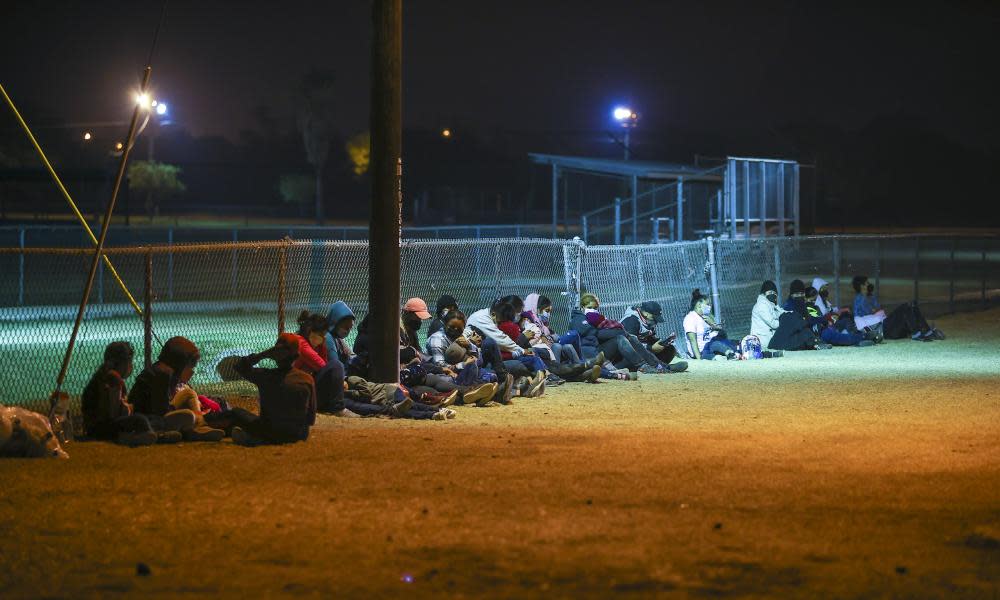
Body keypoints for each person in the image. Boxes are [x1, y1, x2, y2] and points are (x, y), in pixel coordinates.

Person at [332, 300, 454, 419]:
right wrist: (412, 353)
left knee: (431, 378)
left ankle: (438, 403)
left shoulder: (406, 332)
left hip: (388, 377)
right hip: (380, 378)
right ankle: (432, 405)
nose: (418, 321)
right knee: (412, 386)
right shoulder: (366, 339)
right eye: (416, 318)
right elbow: (397, 353)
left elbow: (408, 354)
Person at [128, 336, 223, 441]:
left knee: (189, 393)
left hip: (158, 414)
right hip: (151, 419)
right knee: (188, 415)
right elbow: (160, 412)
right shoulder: (163, 374)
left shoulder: (164, 370)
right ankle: (197, 425)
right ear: (180, 363)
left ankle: (199, 425)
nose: (192, 371)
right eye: (190, 366)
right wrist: (192, 413)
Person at [232, 334, 318, 445]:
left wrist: (262, 355)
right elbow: (311, 419)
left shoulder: (266, 377)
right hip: (299, 434)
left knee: (236, 413)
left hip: (270, 432)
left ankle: (251, 438)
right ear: (297, 356)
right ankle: (253, 437)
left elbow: (238, 366)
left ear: (274, 355)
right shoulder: (307, 379)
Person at [81, 341, 159, 446]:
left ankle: (151, 434)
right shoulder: (113, 379)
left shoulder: (103, 376)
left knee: (147, 419)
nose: (130, 366)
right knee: (140, 419)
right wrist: (129, 408)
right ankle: (133, 438)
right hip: (102, 428)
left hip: (99, 426)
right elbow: (113, 413)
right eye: (129, 362)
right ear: (120, 363)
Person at [426, 309, 507, 405]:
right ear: (444, 324)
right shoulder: (437, 339)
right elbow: (440, 366)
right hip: (446, 374)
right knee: (452, 378)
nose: (455, 331)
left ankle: (482, 391)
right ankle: (479, 393)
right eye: (451, 327)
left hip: (465, 371)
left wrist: (469, 345)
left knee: (490, 373)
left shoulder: (462, 337)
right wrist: (464, 364)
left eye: (459, 329)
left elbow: (478, 359)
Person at [569, 293, 661, 377]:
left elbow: (601, 332)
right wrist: (619, 332)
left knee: (625, 337)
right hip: (588, 355)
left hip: (599, 350)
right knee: (622, 337)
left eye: (596, 308)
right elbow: (595, 334)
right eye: (590, 307)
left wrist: (619, 332)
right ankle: (644, 366)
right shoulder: (578, 318)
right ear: (582, 307)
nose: (593, 310)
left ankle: (653, 365)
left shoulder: (595, 318)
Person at [467, 299, 547, 396]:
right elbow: (501, 340)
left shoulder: (497, 320)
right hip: (485, 359)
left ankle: (542, 377)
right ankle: (509, 383)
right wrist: (522, 348)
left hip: (501, 355)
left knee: (534, 354)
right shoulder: (485, 319)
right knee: (529, 357)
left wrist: (523, 349)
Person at [852, 275, 942, 341]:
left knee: (912, 305)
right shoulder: (859, 299)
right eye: (867, 283)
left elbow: (877, 309)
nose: (869, 284)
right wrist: (874, 311)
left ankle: (927, 331)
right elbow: (865, 314)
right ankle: (916, 333)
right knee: (905, 307)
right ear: (862, 286)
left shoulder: (871, 297)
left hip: (885, 323)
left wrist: (875, 310)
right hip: (882, 328)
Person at [620, 301, 688, 373]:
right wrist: (650, 348)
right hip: (625, 354)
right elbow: (630, 344)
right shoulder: (631, 320)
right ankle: (662, 367)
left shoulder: (647, 320)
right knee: (642, 351)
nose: (655, 320)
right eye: (654, 317)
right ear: (646, 313)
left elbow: (649, 338)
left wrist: (662, 343)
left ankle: (657, 365)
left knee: (669, 349)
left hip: (642, 350)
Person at [751, 281, 818, 351]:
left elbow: (783, 313)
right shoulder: (761, 305)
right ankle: (813, 341)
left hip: (773, 338)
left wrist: (792, 315)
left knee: (799, 329)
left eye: (774, 293)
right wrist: (787, 322)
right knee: (791, 322)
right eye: (770, 293)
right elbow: (773, 324)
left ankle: (814, 342)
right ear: (764, 294)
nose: (772, 295)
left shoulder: (772, 305)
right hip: (765, 342)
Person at [804, 287, 873, 347]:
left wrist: (829, 319)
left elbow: (821, 317)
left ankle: (860, 335)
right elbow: (813, 320)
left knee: (845, 321)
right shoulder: (806, 308)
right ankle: (863, 337)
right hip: (820, 332)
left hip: (826, 326)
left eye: (815, 300)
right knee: (838, 336)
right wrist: (827, 320)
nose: (813, 302)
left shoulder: (816, 307)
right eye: (811, 300)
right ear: (805, 298)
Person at [683, 289, 739, 360]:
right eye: (707, 304)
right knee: (715, 343)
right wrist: (699, 358)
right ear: (699, 305)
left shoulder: (706, 316)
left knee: (729, 341)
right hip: (702, 351)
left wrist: (712, 324)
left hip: (711, 346)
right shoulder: (690, 318)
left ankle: (734, 352)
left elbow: (723, 334)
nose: (709, 307)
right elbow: (692, 340)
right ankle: (730, 355)